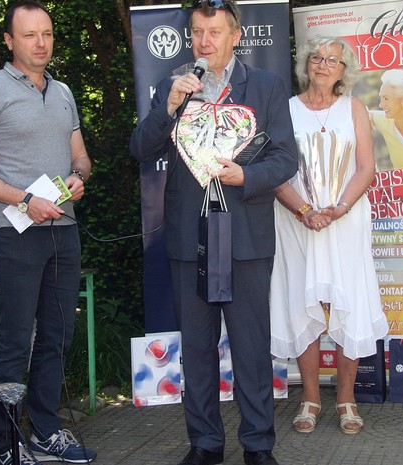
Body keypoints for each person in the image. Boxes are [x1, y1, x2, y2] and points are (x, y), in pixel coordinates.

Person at [129, 1, 298, 464]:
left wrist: (247, 176)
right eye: (198, 33)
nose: (204, 42)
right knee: (197, 348)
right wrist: (168, 108)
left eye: (215, 32)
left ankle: (258, 445)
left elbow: (286, 158)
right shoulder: (175, 86)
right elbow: (140, 149)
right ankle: (205, 443)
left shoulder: (264, 86)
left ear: (235, 36)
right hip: (190, 238)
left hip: (246, 236)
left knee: (251, 346)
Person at [0, 2, 96, 464]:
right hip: (14, 231)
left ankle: (45, 433)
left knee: (58, 336)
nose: (41, 43)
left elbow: (81, 155)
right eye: (30, 35)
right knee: (16, 340)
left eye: (47, 34)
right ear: (9, 40)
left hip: (63, 229)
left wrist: (78, 176)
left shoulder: (63, 92)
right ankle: (9, 446)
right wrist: (24, 199)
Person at [270, 37, 389, 436]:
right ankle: (310, 398)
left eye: (332, 60)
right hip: (295, 221)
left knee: (346, 302)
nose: (323, 65)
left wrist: (339, 207)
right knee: (301, 302)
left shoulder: (354, 108)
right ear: (306, 64)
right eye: (316, 58)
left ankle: (346, 399)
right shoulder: (285, 109)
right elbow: (273, 170)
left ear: (343, 70)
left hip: (345, 221)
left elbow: (366, 168)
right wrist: (303, 210)